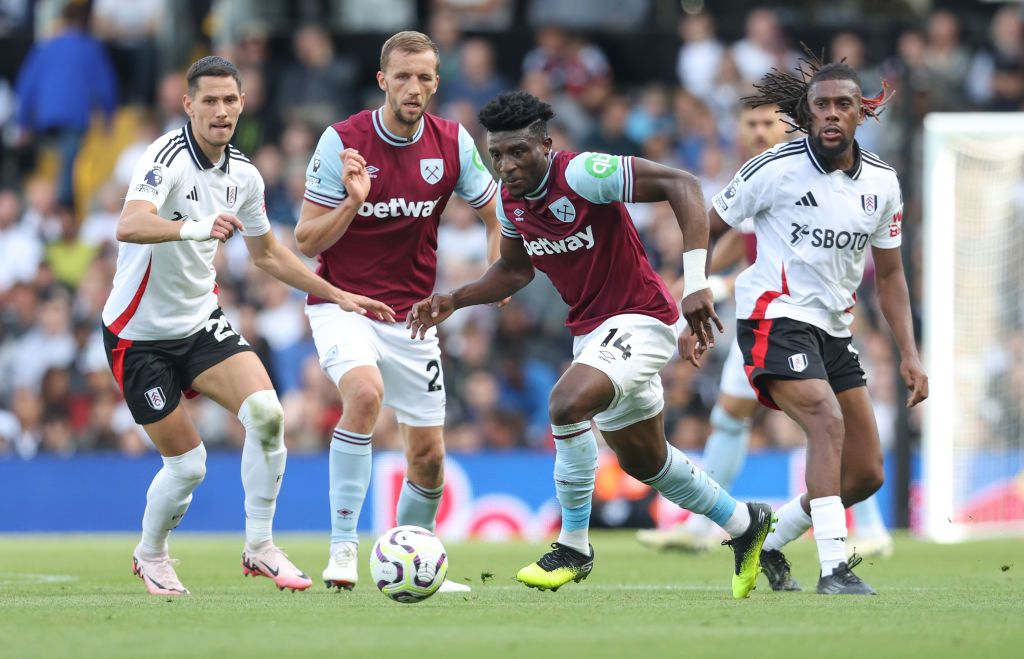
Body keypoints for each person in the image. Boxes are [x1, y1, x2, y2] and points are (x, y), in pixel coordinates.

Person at [408, 91, 775, 599]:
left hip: (641, 319)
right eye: (497, 155)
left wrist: (696, 280)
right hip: (593, 333)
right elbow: (515, 270)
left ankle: (574, 547)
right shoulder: (510, 201)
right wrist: (455, 298)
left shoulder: (583, 173)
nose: (507, 165)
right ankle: (744, 523)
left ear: (545, 143)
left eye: (518, 152)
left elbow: (682, 183)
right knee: (647, 463)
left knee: (564, 404)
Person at [103, 56, 394, 596]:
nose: (220, 110)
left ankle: (259, 546)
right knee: (188, 467)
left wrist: (337, 294)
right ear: (187, 105)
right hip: (138, 334)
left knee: (266, 412)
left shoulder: (245, 175)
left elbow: (268, 256)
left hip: (198, 324)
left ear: (243, 104)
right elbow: (129, 223)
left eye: (229, 100)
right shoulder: (164, 156)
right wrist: (193, 228)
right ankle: (151, 553)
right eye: (208, 100)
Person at [687, 51, 927, 595]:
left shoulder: (884, 184)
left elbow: (889, 277)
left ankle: (769, 538)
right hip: (773, 317)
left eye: (845, 104)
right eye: (822, 105)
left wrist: (910, 353)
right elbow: (705, 220)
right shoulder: (774, 168)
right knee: (825, 422)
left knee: (866, 474)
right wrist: (694, 286)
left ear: (861, 113)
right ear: (808, 111)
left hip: (834, 330)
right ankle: (834, 569)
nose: (833, 114)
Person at [637, 104, 897, 558]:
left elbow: (793, 263)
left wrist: (713, 285)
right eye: (751, 124)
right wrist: (689, 282)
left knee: (827, 427)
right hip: (768, 318)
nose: (758, 131)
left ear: (789, 126)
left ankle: (865, 526)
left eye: (767, 124)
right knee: (742, 415)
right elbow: (739, 238)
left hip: (818, 317)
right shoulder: (761, 175)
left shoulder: (814, 174)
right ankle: (715, 527)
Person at [295, 31, 502, 593]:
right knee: (363, 396)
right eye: (403, 77)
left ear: (437, 82)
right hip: (344, 303)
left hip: (412, 318)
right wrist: (353, 201)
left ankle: (413, 559)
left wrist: (494, 274)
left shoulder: (453, 142)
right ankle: (341, 549)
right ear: (383, 80)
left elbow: (494, 213)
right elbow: (306, 241)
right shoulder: (342, 141)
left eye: (425, 78)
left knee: (430, 460)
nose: (414, 88)